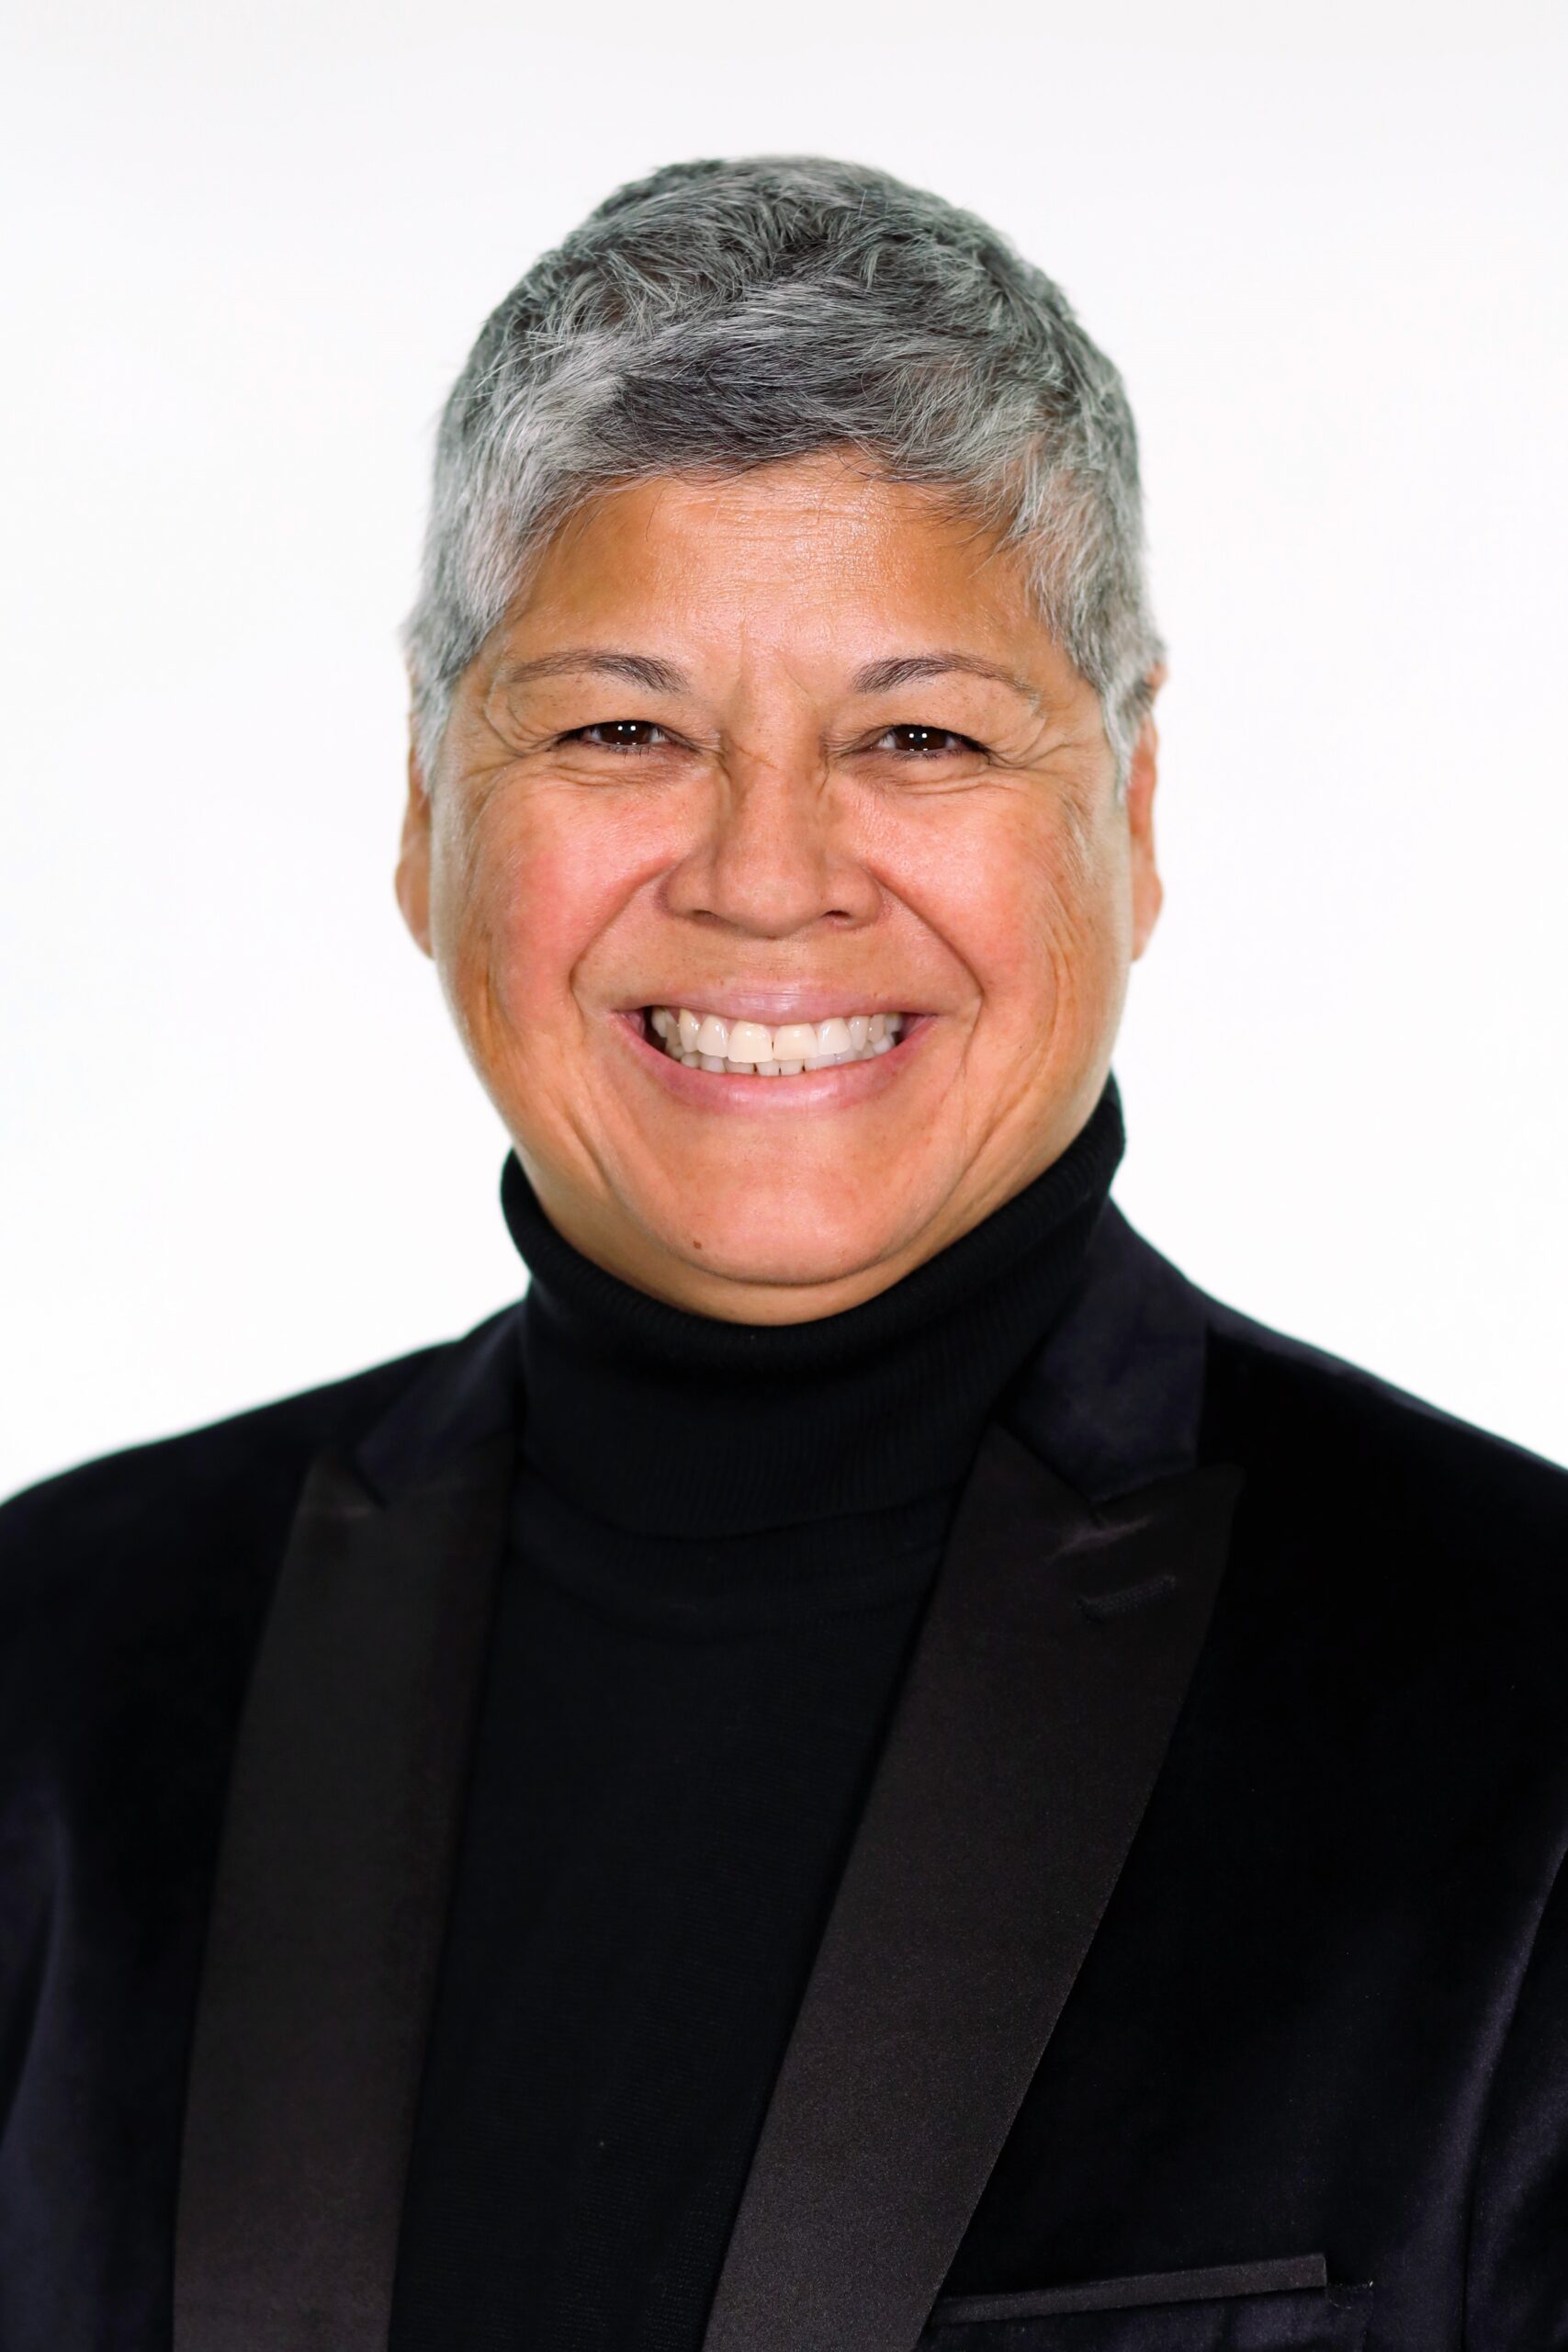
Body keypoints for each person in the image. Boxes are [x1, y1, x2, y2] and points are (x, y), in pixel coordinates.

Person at [2, 154, 1563, 2352]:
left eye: (914, 735)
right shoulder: (60, 1678)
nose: (763, 875)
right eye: (620, 728)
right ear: (425, 809)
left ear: (1125, 814)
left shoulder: (1515, 1704)